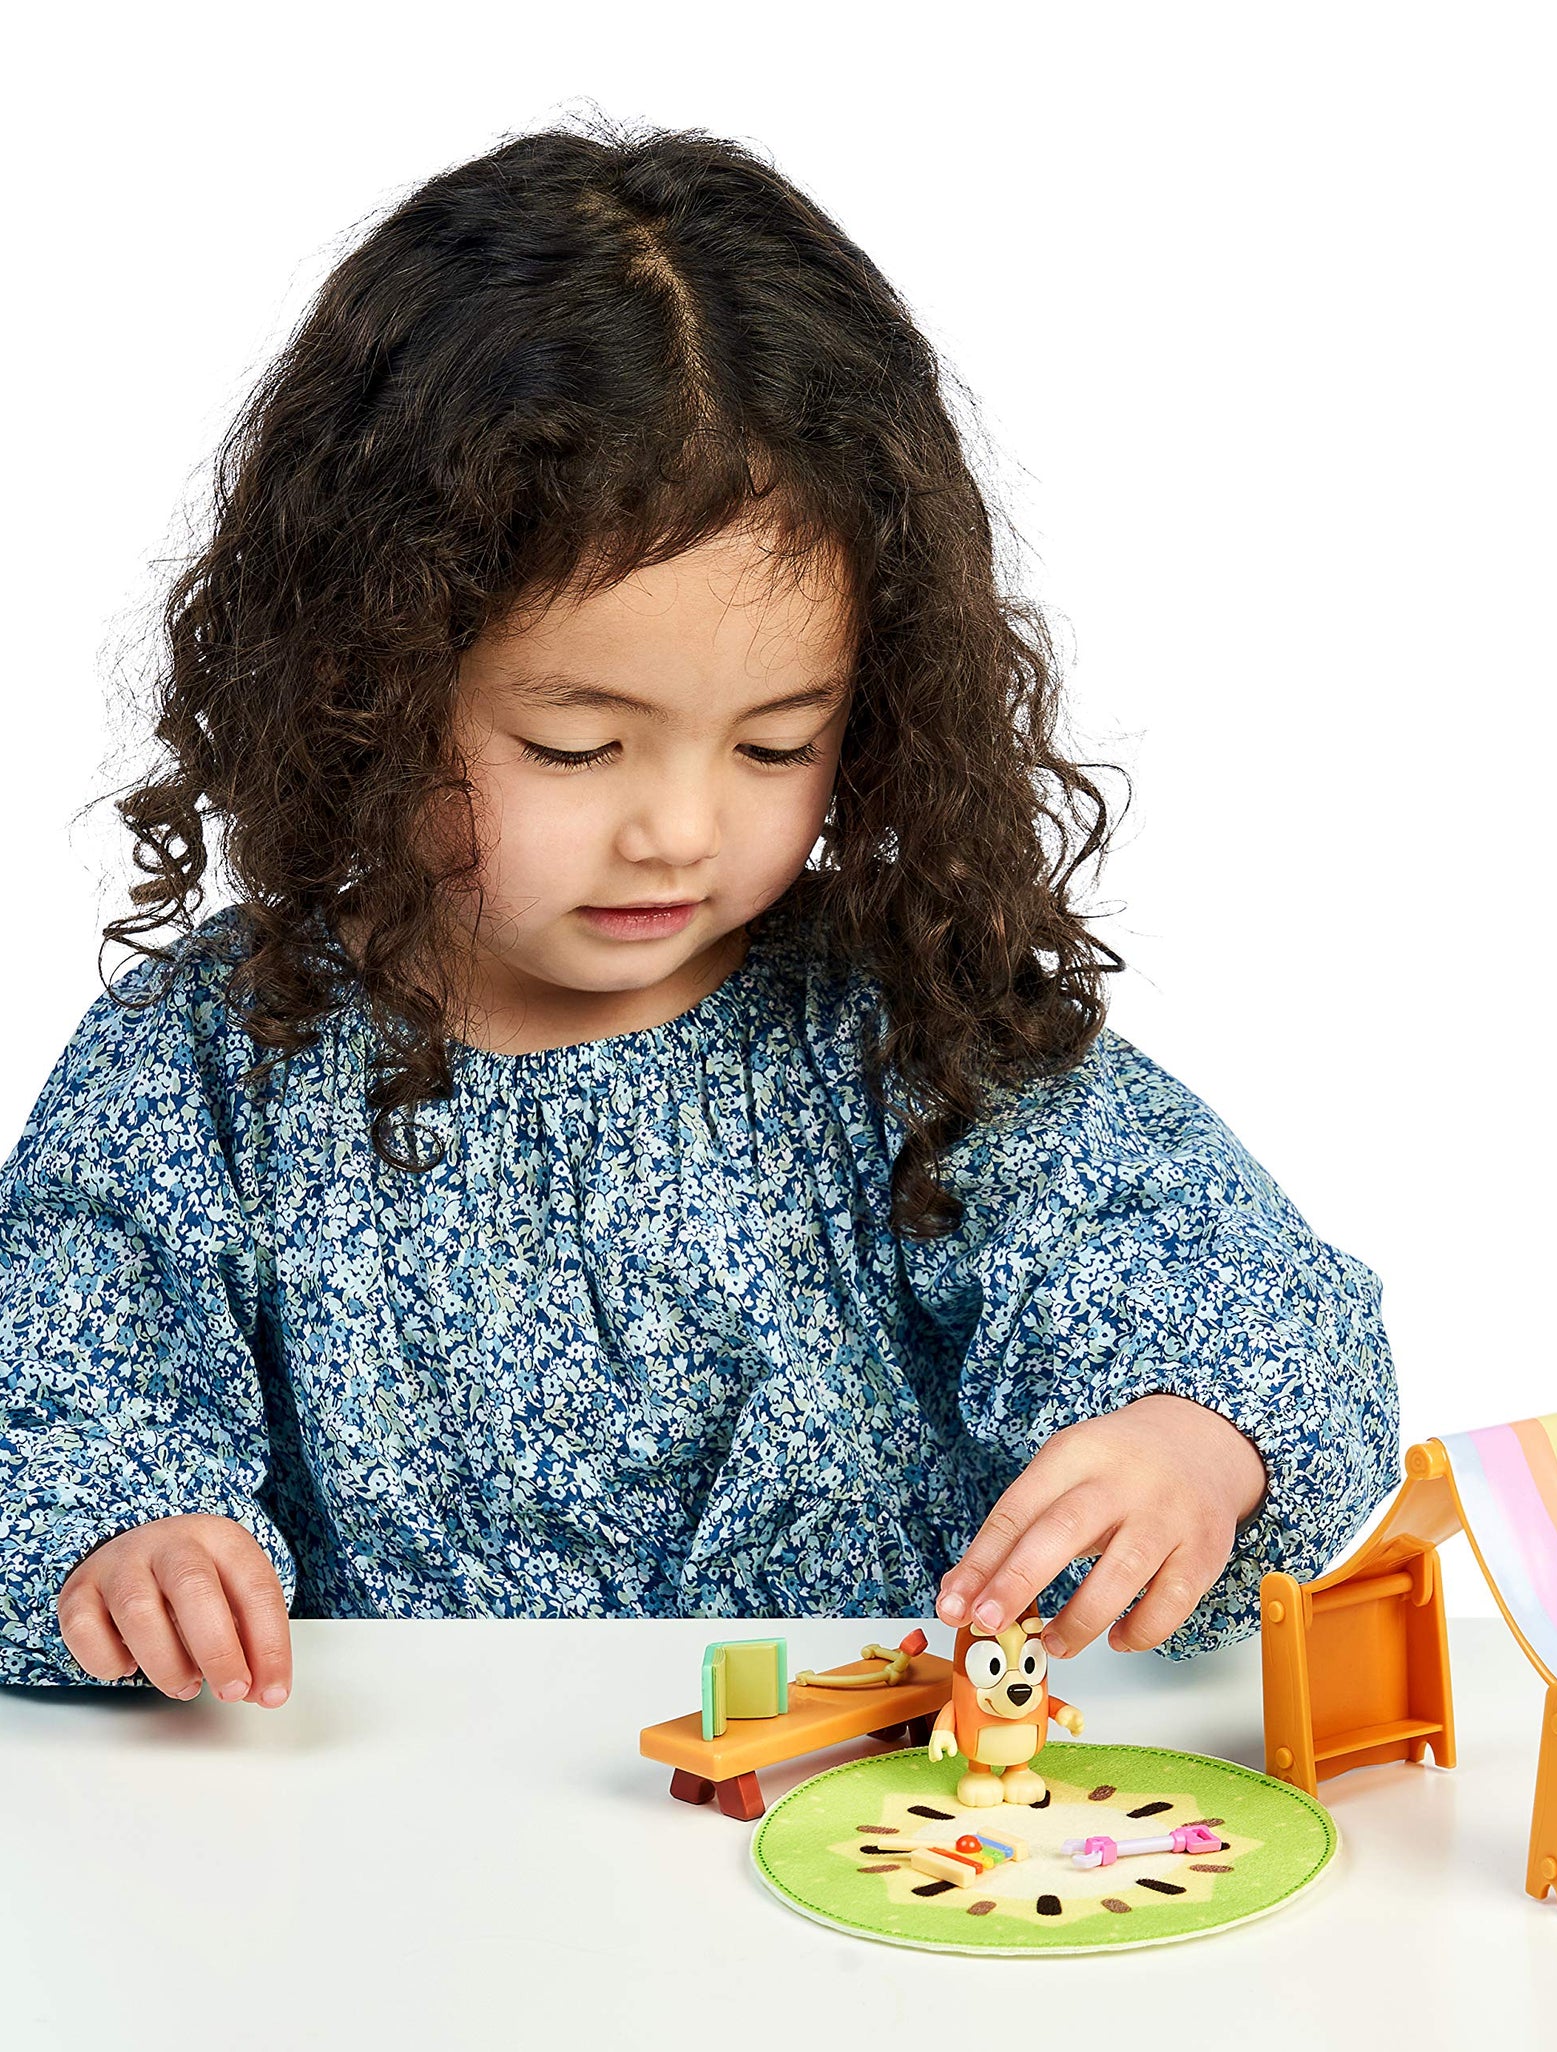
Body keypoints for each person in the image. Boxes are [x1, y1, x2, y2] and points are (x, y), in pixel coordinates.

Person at [0, 117, 1398, 1706]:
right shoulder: (202, 1071)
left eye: (777, 743)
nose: (680, 829)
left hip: (872, 1839)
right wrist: (121, 1548)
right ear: (366, 686)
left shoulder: (906, 1024)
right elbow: (58, 1395)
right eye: (577, 745)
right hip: (406, 1882)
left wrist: (1189, 1438)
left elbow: (1232, 1289)